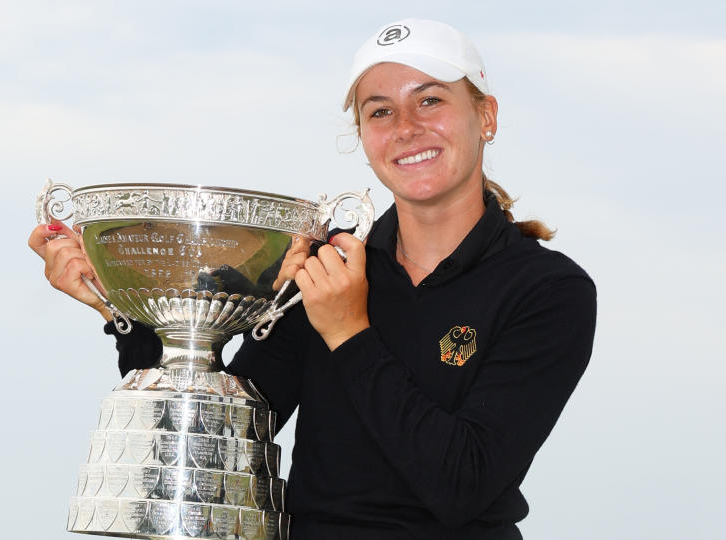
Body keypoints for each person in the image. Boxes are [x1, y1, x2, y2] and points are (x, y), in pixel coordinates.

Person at [29, 18, 596, 540]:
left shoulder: (547, 289)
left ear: (486, 117)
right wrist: (120, 307)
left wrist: (349, 333)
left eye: (430, 100)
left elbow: (462, 485)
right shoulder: (321, 270)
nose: (406, 127)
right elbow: (221, 435)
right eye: (380, 111)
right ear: (364, 138)